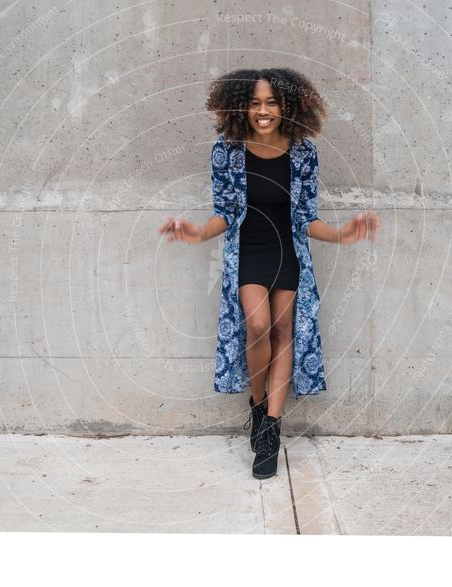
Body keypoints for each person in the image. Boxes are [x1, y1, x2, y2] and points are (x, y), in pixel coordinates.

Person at [159, 68, 380, 479]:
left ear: (288, 107)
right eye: (256, 102)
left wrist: (340, 234)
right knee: (257, 326)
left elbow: (306, 217)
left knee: (283, 332)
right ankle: (258, 404)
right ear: (242, 106)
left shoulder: (303, 152)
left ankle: (270, 432)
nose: (263, 111)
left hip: (289, 253)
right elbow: (224, 213)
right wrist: (195, 232)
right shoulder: (226, 151)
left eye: (272, 102)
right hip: (248, 251)